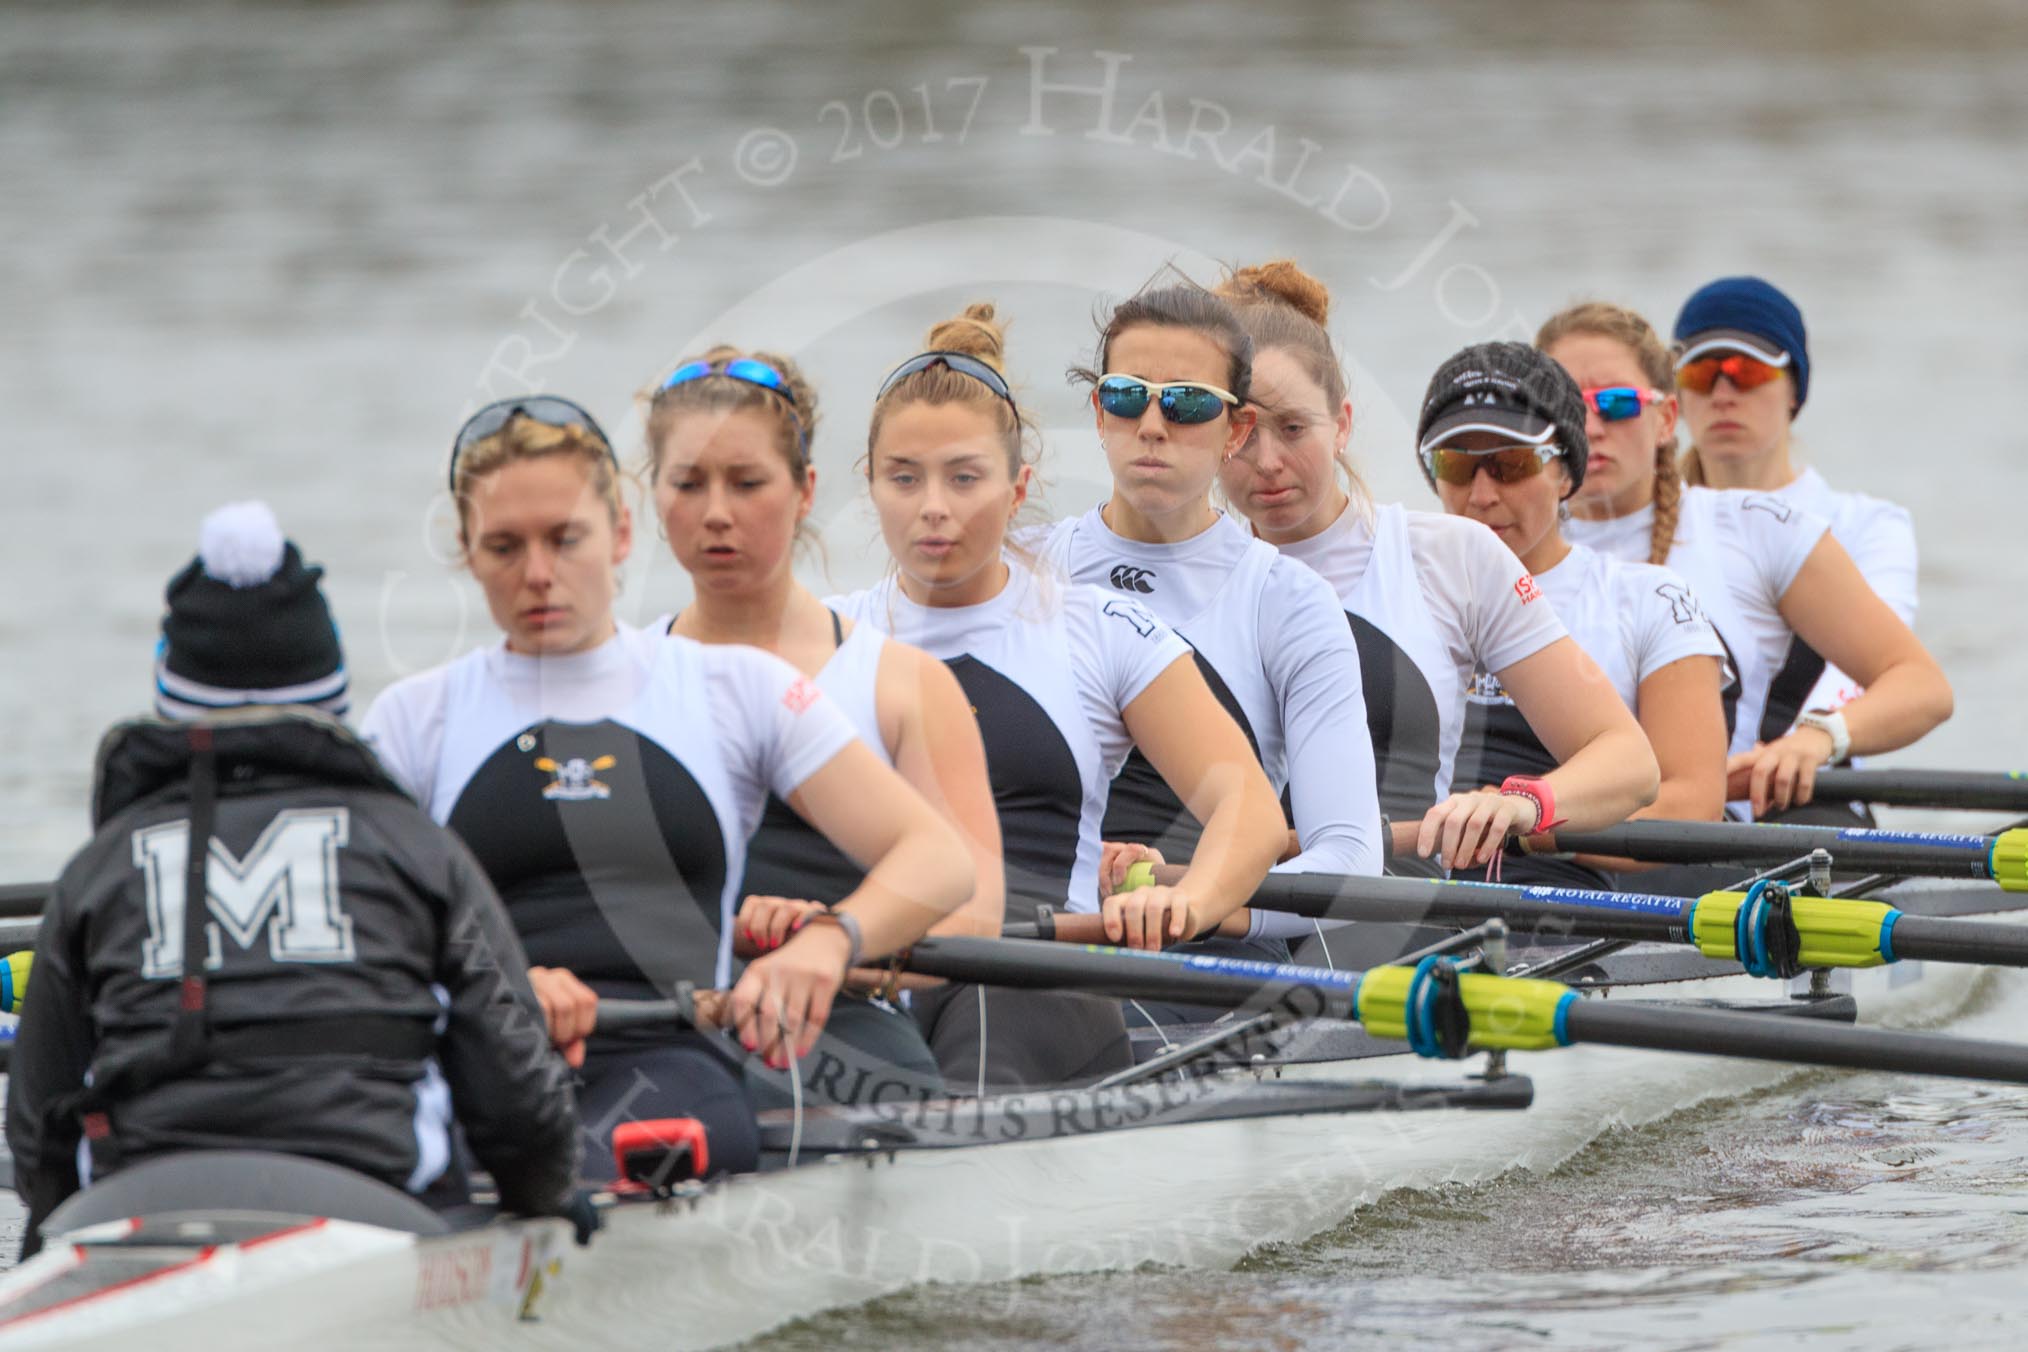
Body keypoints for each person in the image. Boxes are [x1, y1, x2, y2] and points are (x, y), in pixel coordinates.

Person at [361, 398, 971, 1174]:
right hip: (490, 1059)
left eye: (565, 538)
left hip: (673, 1058)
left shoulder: (733, 690)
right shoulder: (414, 719)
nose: (538, 573)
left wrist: (828, 942)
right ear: (466, 550)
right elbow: (362, 932)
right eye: (505, 546)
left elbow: (937, 858)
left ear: (620, 532)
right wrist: (494, 986)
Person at [7, 503, 581, 1258]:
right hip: (373, 1207)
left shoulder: (98, 868)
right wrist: (543, 1208)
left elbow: (36, 1124)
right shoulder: (419, 852)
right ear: (331, 691)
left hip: (130, 1219)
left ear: (172, 698)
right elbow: (519, 1103)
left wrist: (54, 1241)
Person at [836, 303, 1286, 1056]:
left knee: (992, 1009)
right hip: (871, 979)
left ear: (1019, 489)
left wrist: (1188, 905)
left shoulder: (1099, 628)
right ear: (871, 487)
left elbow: (1249, 810)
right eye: (905, 478)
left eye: (965, 477)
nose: (934, 508)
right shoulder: (824, 637)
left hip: (1040, 979)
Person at [1211, 263, 1661, 882]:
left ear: (1342, 424)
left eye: (1293, 428)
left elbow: (1629, 762)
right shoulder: (1177, 572)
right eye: (1242, 432)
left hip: (1394, 927)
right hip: (1218, 910)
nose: (1268, 462)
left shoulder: (1454, 557)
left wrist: (1520, 803)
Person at [643, 345, 999, 1100]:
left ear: (804, 490)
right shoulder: (617, 679)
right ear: (652, 495)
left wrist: (834, 934)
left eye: (746, 483)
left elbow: (972, 919)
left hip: (841, 1035)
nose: (716, 513)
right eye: (688, 484)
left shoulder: (904, 685)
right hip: (658, 1022)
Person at [1042, 279, 1381, 959]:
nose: (1152, 425)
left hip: (1204, 949)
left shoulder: (1287, 602)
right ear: (1099, 411)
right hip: (1029, 925)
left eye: (1189, 403)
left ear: (1237, 430)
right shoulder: (1018, 568)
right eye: (1127, 396)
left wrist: (1192, 904)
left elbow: (1348, 861)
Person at [1543, 299, 1953, 820]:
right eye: (1569, 408)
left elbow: (1922, 685)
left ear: (1667, 419)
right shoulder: (1494, 546)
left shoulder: (1756, 528)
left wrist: (1819, 736)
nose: (1592, 426)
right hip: (1550, 831)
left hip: (1714, 838)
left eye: (1617, 404)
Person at [1417, 342, 1728, 886]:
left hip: (1558, 889)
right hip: (1415, 873)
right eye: (1458, 465)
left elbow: (1690, 806)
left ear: (1566, 475)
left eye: (1511, 464)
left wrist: (1522, 818)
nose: (1482, 494)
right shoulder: (1392, 591)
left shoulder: (1647, 598)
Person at [1672, 276, 1920, 757]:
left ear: (1794, 391)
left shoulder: (1867, 526)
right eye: (1700, 375)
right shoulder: (1646, 522)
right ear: (1675, 399)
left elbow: (1875, 668)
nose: (1722, 394)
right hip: (1675, 793)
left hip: (1814, 790)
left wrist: (1809, 741)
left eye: (1746, 373)